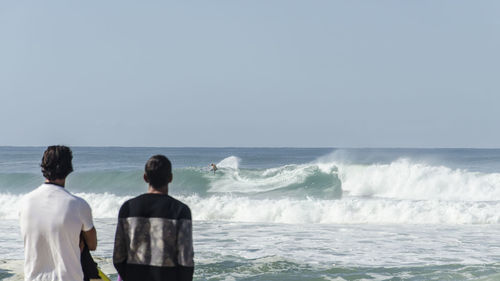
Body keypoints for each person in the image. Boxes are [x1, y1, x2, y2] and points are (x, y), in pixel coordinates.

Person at [19, 145, 97, 281]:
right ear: (69, 168)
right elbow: (92, 244)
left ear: (43, 167)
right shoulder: (78, 205)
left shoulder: (25, 202)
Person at [113, 155, 194, 281]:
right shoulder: (180, 211)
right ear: (170, 178)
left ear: (145, 177)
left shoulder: (128, 208)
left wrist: (130, 275)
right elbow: (186, 261)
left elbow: (118, 257)